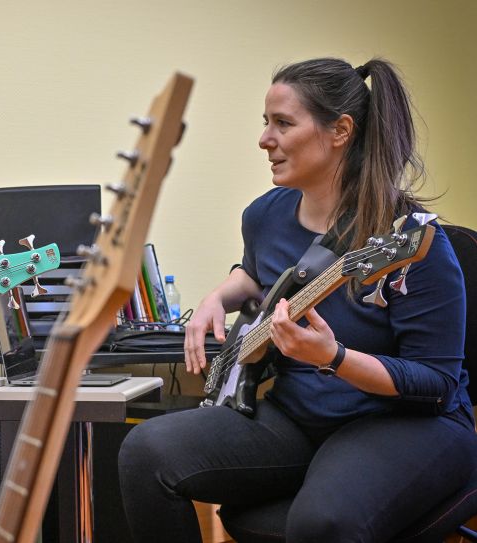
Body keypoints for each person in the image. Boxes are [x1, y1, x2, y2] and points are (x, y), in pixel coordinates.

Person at [118, 58, 477, 542]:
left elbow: (435, 382)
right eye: (266, 123)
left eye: (283, 124)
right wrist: (215, 298)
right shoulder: (266, 214)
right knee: (145, 451)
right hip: (300, 414)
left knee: (319, 523)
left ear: (340, 131)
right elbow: (260, 273)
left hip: (402, 422)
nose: (265, 140)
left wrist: (333, 358)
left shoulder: (410, 241)